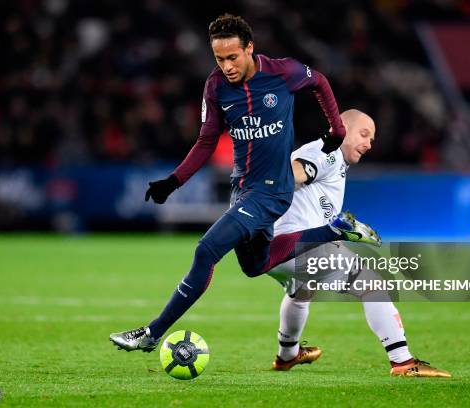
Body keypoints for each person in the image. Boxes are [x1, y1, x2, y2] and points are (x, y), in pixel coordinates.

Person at [109, 14, 380, 352]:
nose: (226, 66)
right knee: (256, 265)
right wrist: (174, 181)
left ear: (249, 48)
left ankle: (152, 333)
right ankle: (336, 229)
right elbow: (206, 140)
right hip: (244, 189)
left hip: (272, 190)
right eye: (219, 59)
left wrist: (337, 130)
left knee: (206, 250)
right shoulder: (215, 86)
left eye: (232, 57)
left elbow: (320, 82)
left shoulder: (282, 72)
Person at [267, 109, 451, 377]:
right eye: (364, 134)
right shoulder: (327, 150)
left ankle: (287, 355)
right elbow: (293, 172)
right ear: (340, 128)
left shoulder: (333, 159)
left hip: (277, 250)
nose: (368, 143)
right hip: (300, 245)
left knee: (301, 291)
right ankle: (402, 361)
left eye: (372, 139)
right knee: (372, 284)